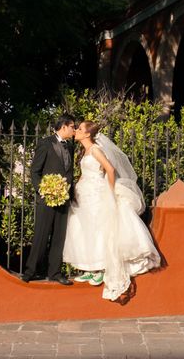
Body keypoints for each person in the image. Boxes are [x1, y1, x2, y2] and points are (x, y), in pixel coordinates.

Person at [63, 121, 160, 301]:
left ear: (87, 134)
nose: (76, 130)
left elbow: (110, 169)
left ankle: (100, 268)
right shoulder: (85, 151)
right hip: (85, 195)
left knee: (99, 230)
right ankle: (90, 268)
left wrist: (110, 190)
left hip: (97, 195)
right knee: (86, 230)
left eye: (80, 129)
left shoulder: (95, 150)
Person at [21, 114, 76, 285]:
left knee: (60, 236)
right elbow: (35, 171)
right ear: (64, 126)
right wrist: (42, 191)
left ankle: (55, 272)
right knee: (41, 235)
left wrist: (69, 192)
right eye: (73, 126)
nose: (74, 130)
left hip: (64, 198)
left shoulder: (70, 146)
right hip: (47, 198)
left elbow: (69, 171)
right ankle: (31, 271)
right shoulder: (45, 144)